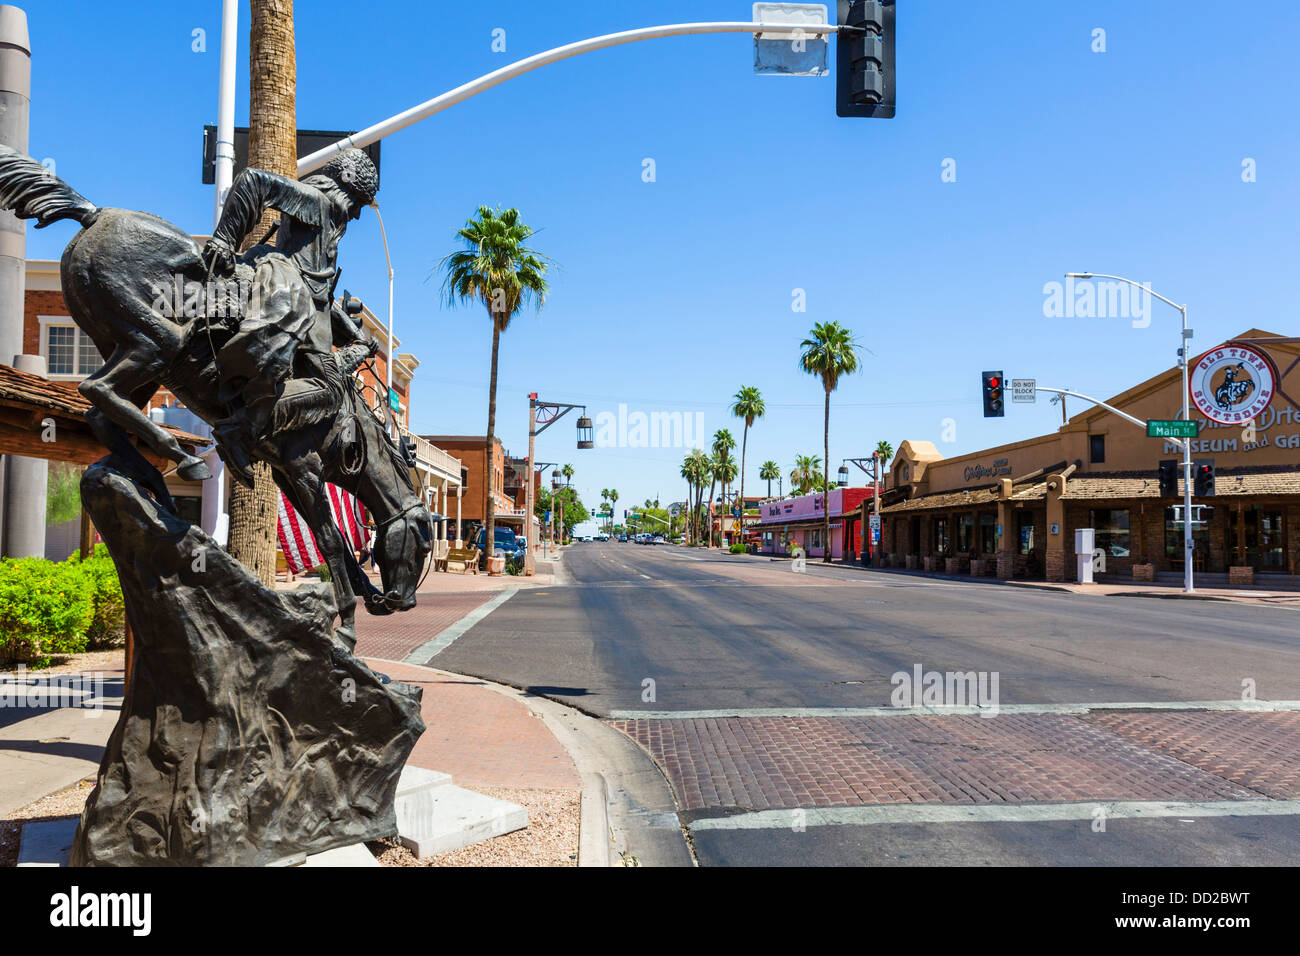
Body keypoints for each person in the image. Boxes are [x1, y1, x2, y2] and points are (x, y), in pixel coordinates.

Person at [200, 148, 380, 485]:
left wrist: (354, 336)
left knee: (330, 390)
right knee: (329, 390)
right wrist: (225, 240)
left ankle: (250, 429)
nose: (356, 215)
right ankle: (240, 428)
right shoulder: (316, 200)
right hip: (286, 294)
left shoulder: (329, 221)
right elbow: (253, 181)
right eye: (358, 202)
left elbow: (322, 297)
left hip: (311, 313)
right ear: (348, 182)